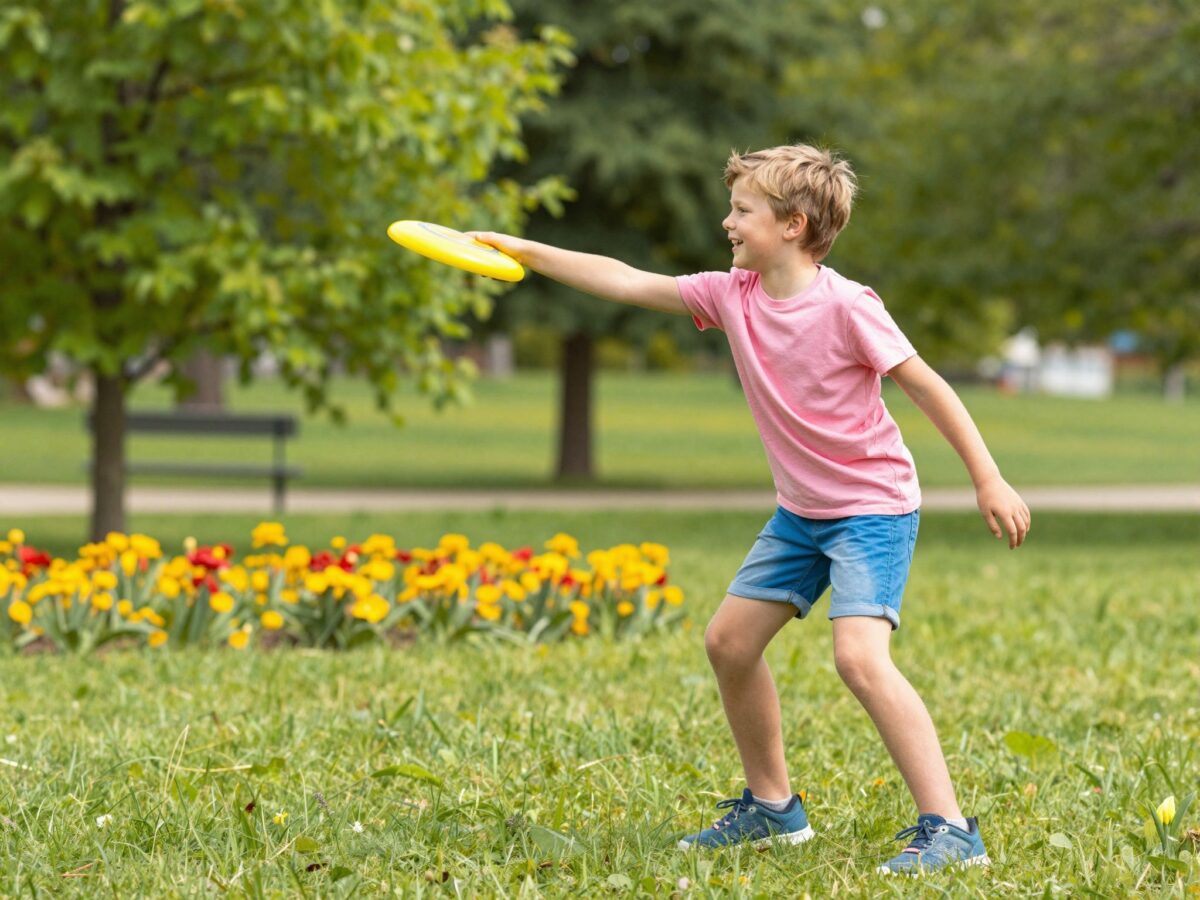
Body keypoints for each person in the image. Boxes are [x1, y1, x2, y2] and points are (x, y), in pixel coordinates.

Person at [470, 143, 1030, 875]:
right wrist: (525, 251)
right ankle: (773, 810)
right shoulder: (731, 295)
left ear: (793, 224)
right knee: (730, 643)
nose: (727, 221)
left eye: (742, 210)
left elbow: (928, 387)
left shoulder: (849, 306)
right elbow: (627, 281)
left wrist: (988, 479)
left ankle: (952, 830)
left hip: (871, 508)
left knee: (860, 658)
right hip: (801, 511)